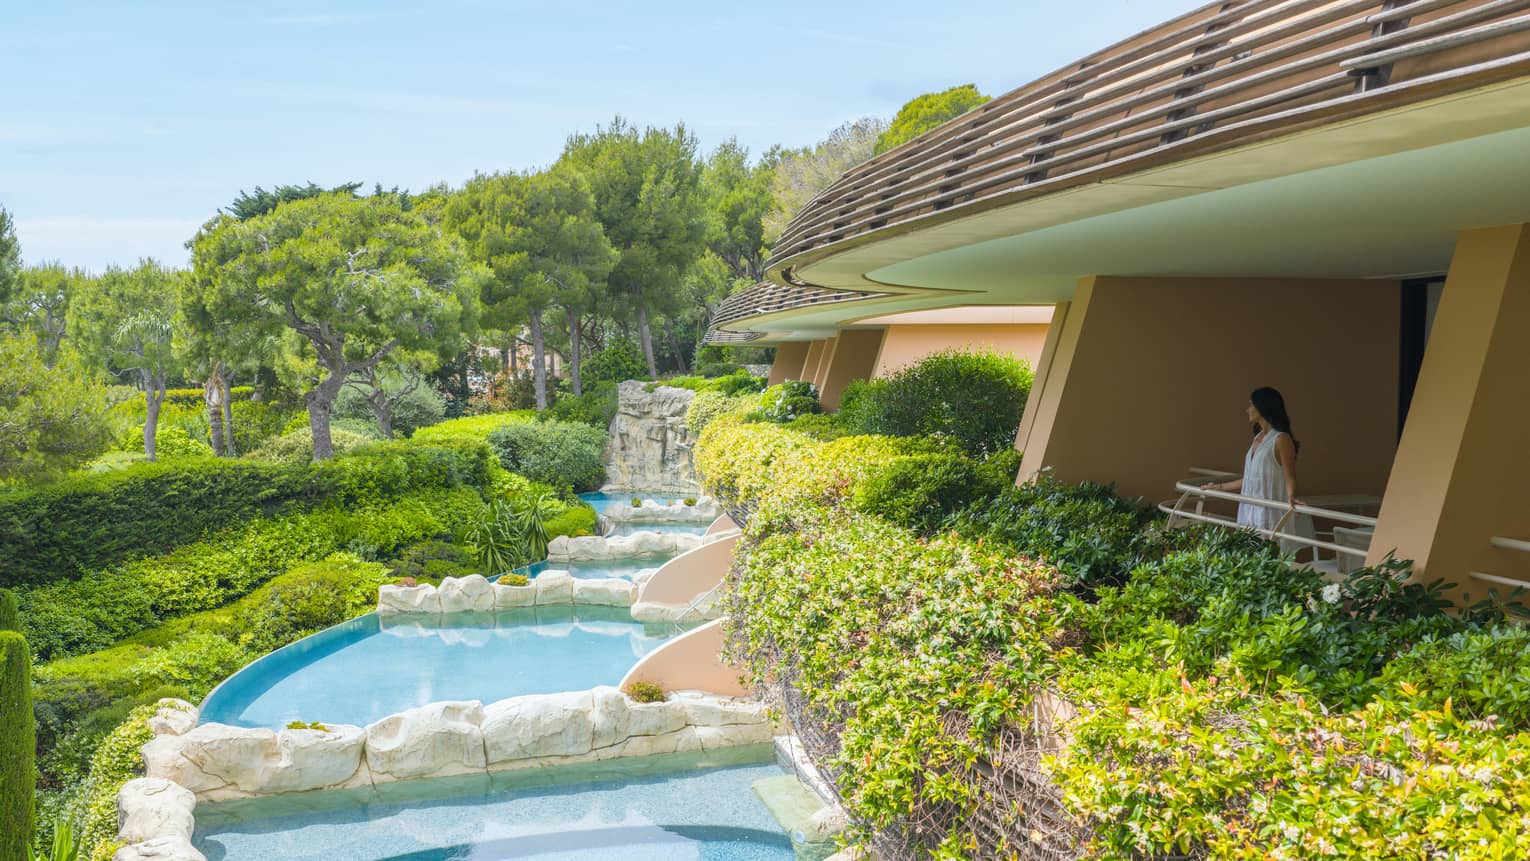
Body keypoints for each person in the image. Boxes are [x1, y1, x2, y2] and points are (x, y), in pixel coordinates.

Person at [1202, 387, 1314, 544]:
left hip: (1270, 512)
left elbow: (1289, 476)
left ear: (1263, 407)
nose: (1247, 410)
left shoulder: (1281, 439)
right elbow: (1252, 479)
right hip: (1249, 511)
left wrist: (1291, 496)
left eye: (1251, 405)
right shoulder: (1257, 438)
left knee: (1270, 557)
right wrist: (1219, 487)